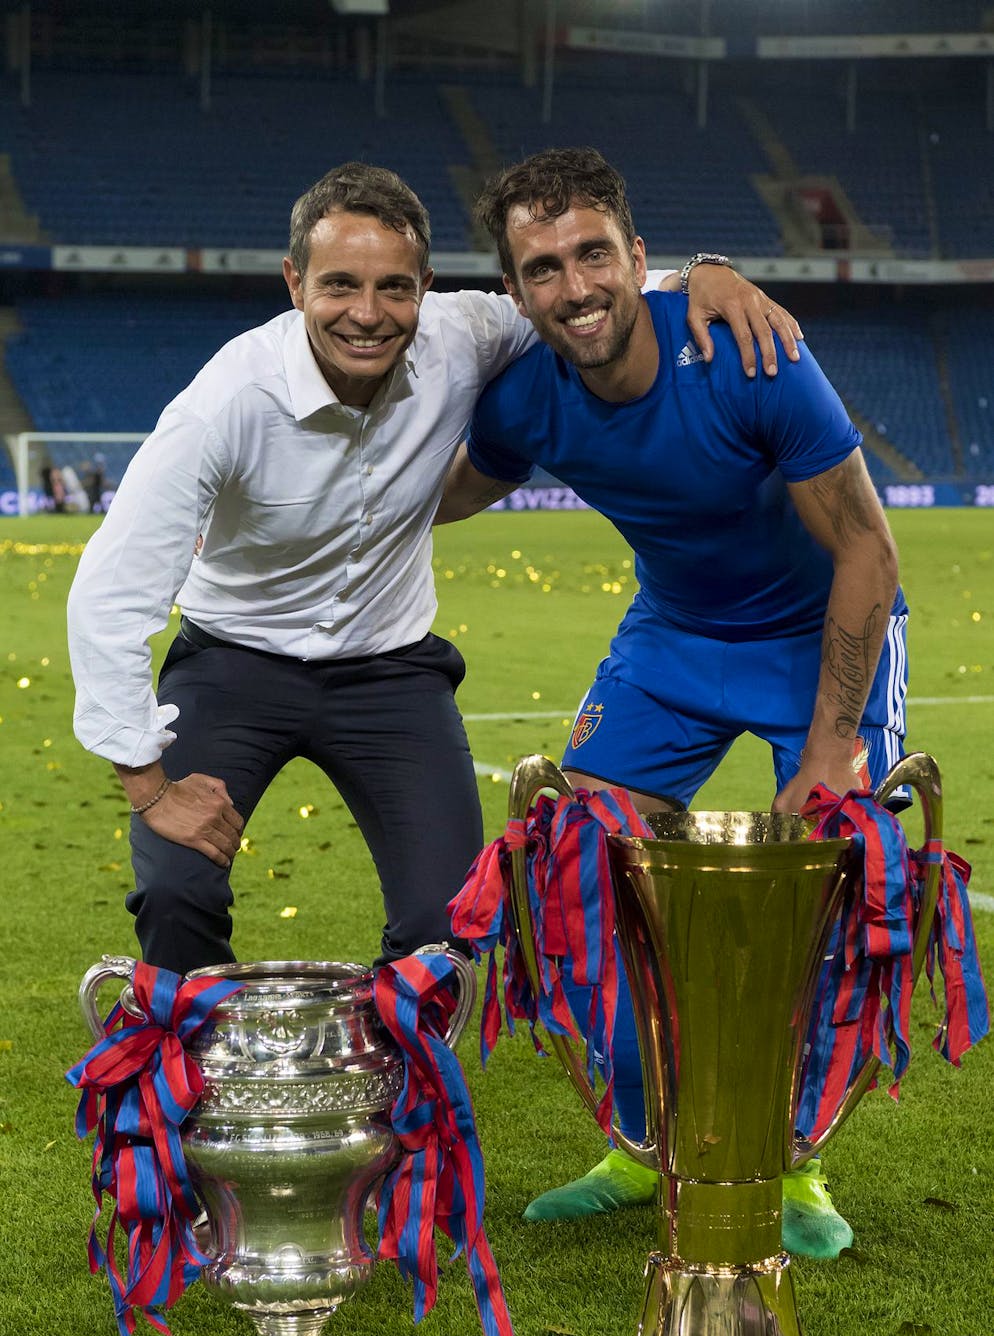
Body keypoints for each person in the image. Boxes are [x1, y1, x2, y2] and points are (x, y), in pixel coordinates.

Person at [67, 161, 797, 983]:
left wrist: (704, 274)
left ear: (428, 286)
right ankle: (200, 1060)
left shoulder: (467, 333)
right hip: (233, 662)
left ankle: (399, 1072)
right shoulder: (226, 404)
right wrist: (149, 787)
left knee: (451, 923)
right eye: (339, 284)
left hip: (390, 675)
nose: (368, 315)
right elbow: (110, 594)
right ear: (293, 282)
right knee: (176, 888)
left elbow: (588, 293)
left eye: (395, 287)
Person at [437, 147, 908, 1259]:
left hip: (819, 636)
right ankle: (641, 1137)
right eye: (542, 268)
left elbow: (866, 548)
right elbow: (444, 489)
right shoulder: (521, 399)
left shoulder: (745, 356)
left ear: (638, 260)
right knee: (573, 868)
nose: (574, 286)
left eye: (593, 253)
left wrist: (832, 741)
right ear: (515, 293)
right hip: (673, 643)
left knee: (828, 876)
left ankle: (790, 1157)